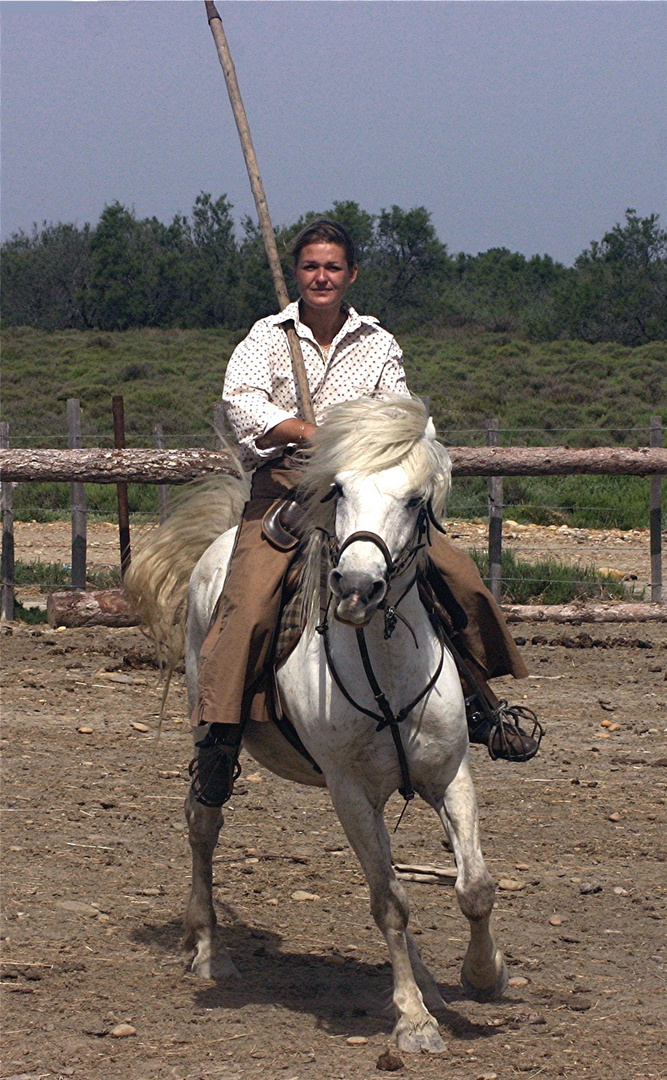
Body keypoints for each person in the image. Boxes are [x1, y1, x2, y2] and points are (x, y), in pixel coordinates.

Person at [190, 219, 540, 808]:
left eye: (332, 267)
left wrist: (370, 446)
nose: (320, 277)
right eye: (310, 267)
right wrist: (312, 431)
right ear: (296, 274)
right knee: (247, 602)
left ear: (350, 274)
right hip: (287, 488)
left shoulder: (377, 343)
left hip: (364, 489)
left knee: (455, 572)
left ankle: (481, 702)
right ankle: (220, 738)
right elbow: (242, 403)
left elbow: (401, 411)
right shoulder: (267, 337)